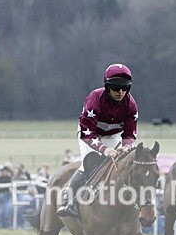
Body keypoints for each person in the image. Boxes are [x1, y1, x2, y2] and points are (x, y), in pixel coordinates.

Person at [57, 63, 137, 217]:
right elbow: (88, 134)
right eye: (115, 87)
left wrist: (127, 147)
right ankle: (69, 199)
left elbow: (129, 133)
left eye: (125, 88)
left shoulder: (131, 104)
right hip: (90, 133)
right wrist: (104, 149)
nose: (121, 92)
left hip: (113, 134)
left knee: (118, 163)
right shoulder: (94, 99)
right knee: (90, 163)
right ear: (107, 86)